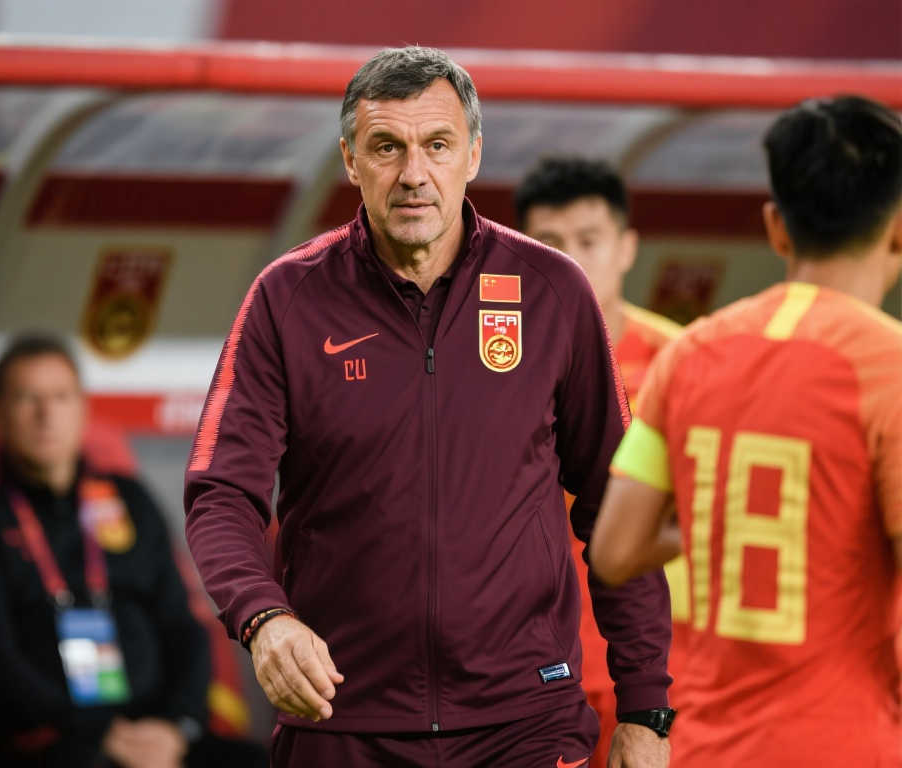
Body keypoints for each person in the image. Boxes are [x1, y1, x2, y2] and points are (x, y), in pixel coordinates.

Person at [185, 46, 674, 768]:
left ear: (473, 154)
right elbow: (221, 493)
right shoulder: (287, 298)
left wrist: (645, 706)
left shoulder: (552, 291)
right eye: (387, 147)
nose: (414, 173)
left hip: (524, 724)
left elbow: (613, 504)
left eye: (437, 145)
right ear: (351, 161)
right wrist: (264, 617)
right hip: (343, 721)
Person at [590, 94, 902, 765]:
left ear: (775, 227)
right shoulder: (890, 367)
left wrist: (714, 527)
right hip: (848, 745)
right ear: (898, 229)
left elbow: (614, 549)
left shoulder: (688, 354)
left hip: (708, 746)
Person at [0, 335, 214, 768]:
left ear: (83, 409)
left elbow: (185, 624)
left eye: (61, 397)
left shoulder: (129, 498)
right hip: (48, 737)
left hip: (157, 731)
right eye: (27, 398)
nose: (46, 415)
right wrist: (99, 732)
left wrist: (179, 725)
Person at [515, 157, 687, 767]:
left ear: (627, 247)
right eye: (549, 242)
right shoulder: (491, 364)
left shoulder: (681, 363)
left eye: (589, 240)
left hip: (660, 663)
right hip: (528, 664)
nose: (571, 259)